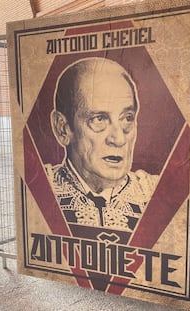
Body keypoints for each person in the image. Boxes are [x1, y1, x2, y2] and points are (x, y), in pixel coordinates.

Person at [45, 57, 158, 232]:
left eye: (127, 118)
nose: (119, 139)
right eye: (99, 119)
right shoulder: (41, 186)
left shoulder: (155, 191)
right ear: (63, 129)